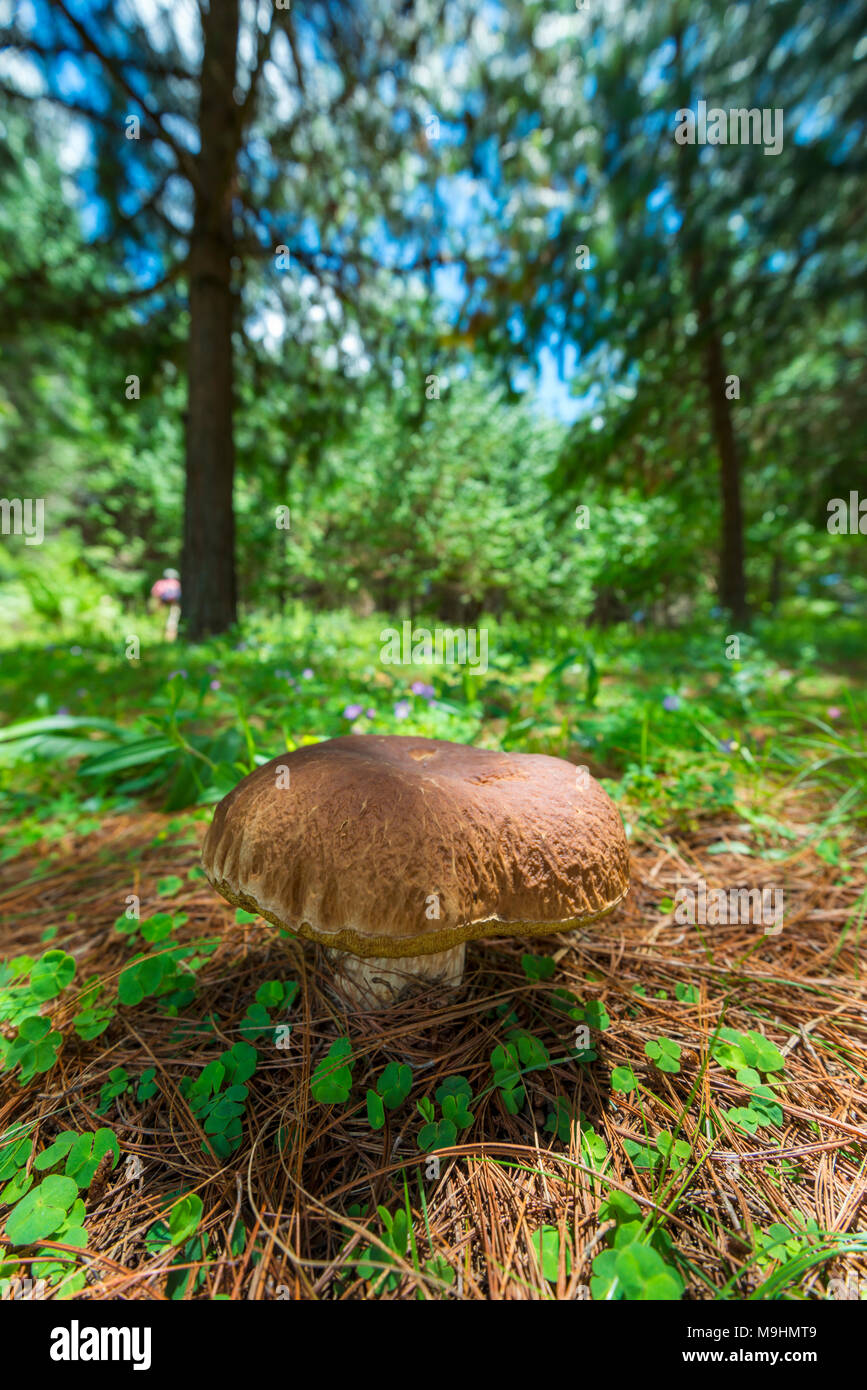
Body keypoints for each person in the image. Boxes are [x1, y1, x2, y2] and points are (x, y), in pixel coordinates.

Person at [150, 568, 181, 641]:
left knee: (159, 621)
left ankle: (158, 636)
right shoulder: (177, 583)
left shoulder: (160, 583)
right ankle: (170, 639)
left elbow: (154, 593)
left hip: (161, 605)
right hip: (174, 605)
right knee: (172, 622)